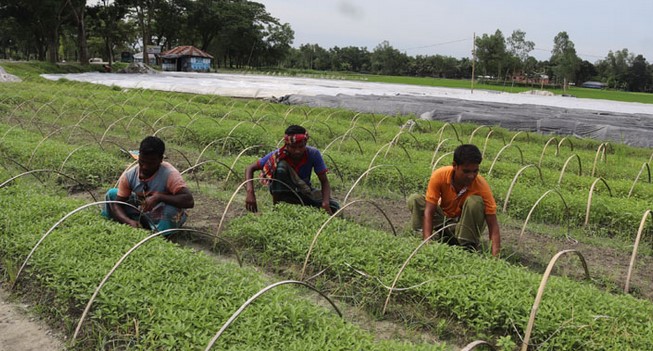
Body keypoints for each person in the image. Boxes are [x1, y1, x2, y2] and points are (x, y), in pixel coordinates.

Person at [407, 144, 501, 256]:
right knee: (415, 199)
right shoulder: (439, 176)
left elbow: (493, 225)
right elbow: (429, 211)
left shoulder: (481, 186)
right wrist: (426, 243)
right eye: (466, 171)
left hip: (463, 227)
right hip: (443, 222)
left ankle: (466, 247)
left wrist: (495, 258)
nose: (471, 176)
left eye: (475, 171)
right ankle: (421, 237)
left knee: (475, 202)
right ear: (455, 166)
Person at [102, 136, 194, 233]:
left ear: (160, 159)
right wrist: (128, 221)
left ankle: (162, 234)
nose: (145, 167)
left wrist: (159, 197)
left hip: (162, 214)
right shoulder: (130, 175)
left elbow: (189, 200)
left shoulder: (169, 174)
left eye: (151, 163)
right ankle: (137, 223)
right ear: (138, 156)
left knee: (170, 210)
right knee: (112, 194)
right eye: (142, 162)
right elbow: (117, 204)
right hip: (142, 211)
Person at [245, 125, 339, 214]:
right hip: (284, 194)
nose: (297, 151)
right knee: (280, 166)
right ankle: (277, 208)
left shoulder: (313, 154)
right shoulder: (278, 156)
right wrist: (250, 193)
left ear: (305, 143)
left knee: (334, 207)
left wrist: (325, 203)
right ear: (286, 145)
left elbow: (324, 181)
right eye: (293, 147)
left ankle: (302, 205)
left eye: (301, 147)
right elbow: (250, 168)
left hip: (304, 191)